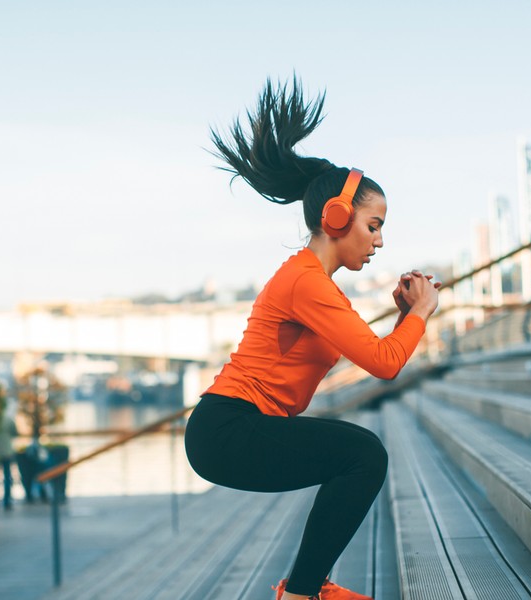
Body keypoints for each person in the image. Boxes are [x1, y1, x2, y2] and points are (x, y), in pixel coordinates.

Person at [184, 79, 441, 600]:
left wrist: (405, 320)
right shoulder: (305, 282)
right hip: (228, 428)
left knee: (357, 455)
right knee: (362, 454)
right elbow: (386, 365)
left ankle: (304, 590)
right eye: (373, 225)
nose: (380, 239)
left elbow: (381, 354)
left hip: (236, 428)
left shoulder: (315, 286)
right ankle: (302, 594)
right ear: (337, 217)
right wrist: (422, 313)